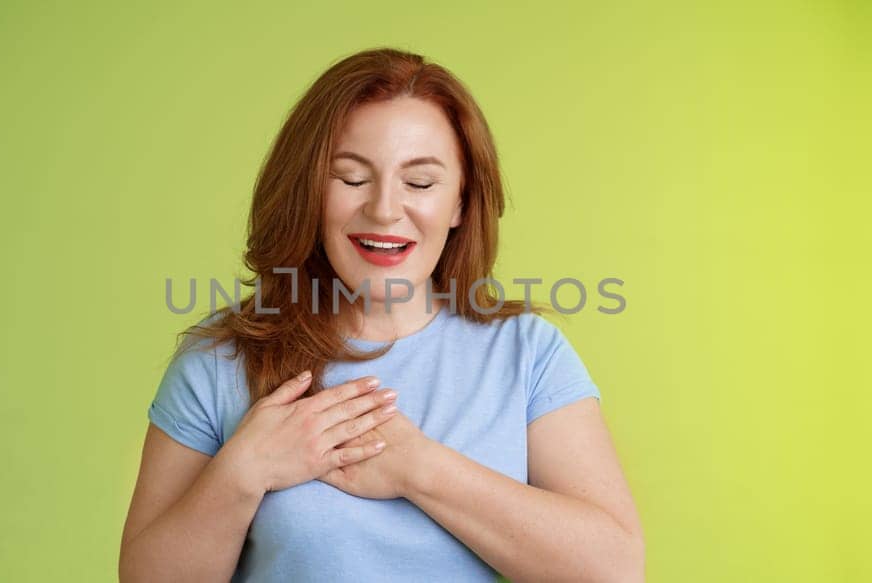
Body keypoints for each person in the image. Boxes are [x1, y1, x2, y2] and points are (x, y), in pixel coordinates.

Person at [118, 48, 643, 582]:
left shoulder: (528, 353)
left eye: (419, 183)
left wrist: (416, 468)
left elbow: (615, 571)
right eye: (350, 178)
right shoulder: (219, 361)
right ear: (309, 192)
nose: (385, 209)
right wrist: (242, 473)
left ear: (461, 202)